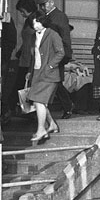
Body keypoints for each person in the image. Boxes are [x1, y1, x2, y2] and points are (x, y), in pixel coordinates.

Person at [38, 0, 76, 119]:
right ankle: (67, 106)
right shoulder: (50, 16)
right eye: (41, 5)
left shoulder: (59, 16)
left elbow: (65, 37)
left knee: (56, 82)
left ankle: (68, 106)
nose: (42, 8)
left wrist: (65, 55)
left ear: (51, 3)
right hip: (51, 53)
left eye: (43, 5)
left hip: (57, 54)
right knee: (55, 81)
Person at [29, 11, 64, 144]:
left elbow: (61, 52)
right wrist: (30, 71)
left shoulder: (52, 34)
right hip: (37, 72)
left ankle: (41, 129)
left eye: (37, 22)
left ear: (43, 21)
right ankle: (52, 125)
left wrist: (50, 66)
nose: (35, 26)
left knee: (39, 101)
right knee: (38, 101)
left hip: (49, 74)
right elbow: (35, 55)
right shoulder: (34, 36)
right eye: (33, 23)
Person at [14, 0, 38, 115]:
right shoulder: (28, 20)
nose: (21, 14)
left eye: (22, 11)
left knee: (24, 86)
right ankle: (27, 111)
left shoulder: (35, 20)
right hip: (25, 57)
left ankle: (29, 111)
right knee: (23, 86)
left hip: (31, 59)